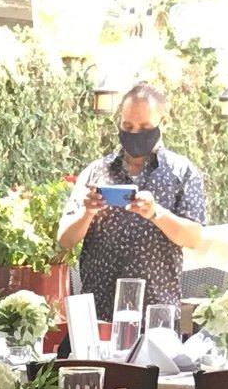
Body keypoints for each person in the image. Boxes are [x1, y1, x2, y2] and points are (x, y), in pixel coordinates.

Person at [57, 83, 208, 313]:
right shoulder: (97, 172)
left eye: (145, 127)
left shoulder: (182, 173)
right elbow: (64, 240)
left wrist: (156, 213)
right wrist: (87, 213)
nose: (135, 133)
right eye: (128, 126)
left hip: (156, 314)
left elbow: (194, 238)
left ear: (163, 123)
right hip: (99, 312)